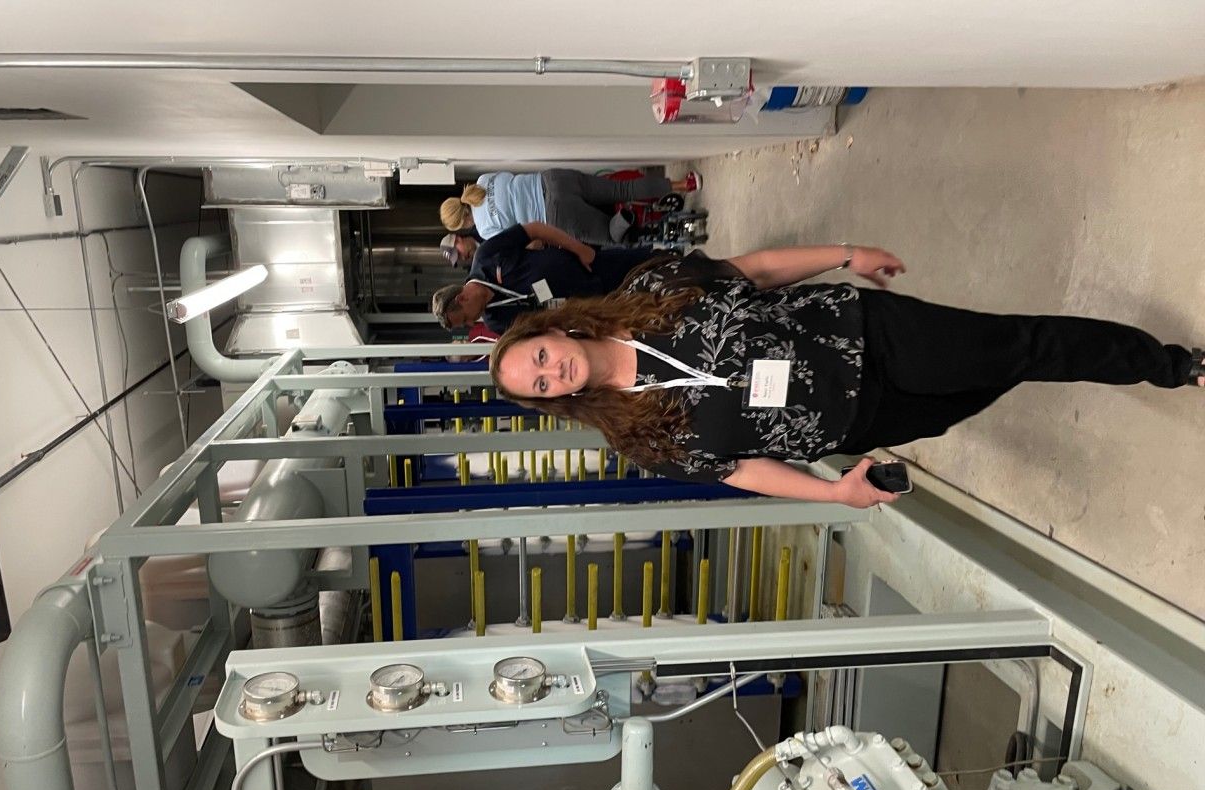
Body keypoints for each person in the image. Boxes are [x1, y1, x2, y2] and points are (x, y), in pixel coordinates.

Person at [489, 245, 1202, 507]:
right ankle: (1096, 360)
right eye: (541, 384)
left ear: (554, 330)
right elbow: (739, 470)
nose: (552, 371)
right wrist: (834, 493)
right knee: (984, 385)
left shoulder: (650, 290)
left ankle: (1174, 365)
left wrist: (845, 254)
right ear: (558, 401)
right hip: (860, 421)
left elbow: (755, 271)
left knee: (1022, 348)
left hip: (869, 337)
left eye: (541, 357)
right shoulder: (638, 438)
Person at [431, 221, 659, 335]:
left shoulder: (486, 257)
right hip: (596, 310)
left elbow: (534, 230)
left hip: (589, 267)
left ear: (461, 299)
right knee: (656, 302)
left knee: (656, 263)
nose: (472, 323)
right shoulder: (496, 322)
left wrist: (579, 249)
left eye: (465, 319)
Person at [440, 168, 700, 246]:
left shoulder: (486, 230)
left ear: (462, 225)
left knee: (611, 236)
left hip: (556, 215)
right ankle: (684, 183)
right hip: (555, 179)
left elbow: (525, 240)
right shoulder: (483, 181)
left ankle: (629, 217)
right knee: (622, 189)